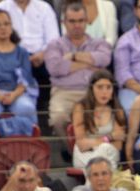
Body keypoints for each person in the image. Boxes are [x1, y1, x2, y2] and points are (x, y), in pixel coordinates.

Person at [46, 2, 113, 142]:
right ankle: (71, 150)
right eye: (72, 21)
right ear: (63, 22)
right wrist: (90, 64)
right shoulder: (55, 45)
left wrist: (73, 57)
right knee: (58, 117)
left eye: (81, 21)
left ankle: (93, 151)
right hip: (64, 92)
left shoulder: (98, 43)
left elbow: (105, 59)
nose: (77, 25)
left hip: (93, 92)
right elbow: (55, 67)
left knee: (104, 118)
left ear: (87, 21)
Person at [72, 69, 127, 170]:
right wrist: (109, 138)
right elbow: (82, 145)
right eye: (100, 87)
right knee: (103, 154)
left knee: (105, 149)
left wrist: (94, 143)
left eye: (108, 87)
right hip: (84, 155)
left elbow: (118, 145)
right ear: (92, 89)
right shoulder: (81, 107)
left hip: (109, 154)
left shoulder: (117, 110)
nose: (104, 92)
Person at [71, 156, 138, 191]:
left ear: (111, 175)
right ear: (89, 178)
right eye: (95, 174)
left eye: (104, 173)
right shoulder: (80, 190)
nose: (100, 178)